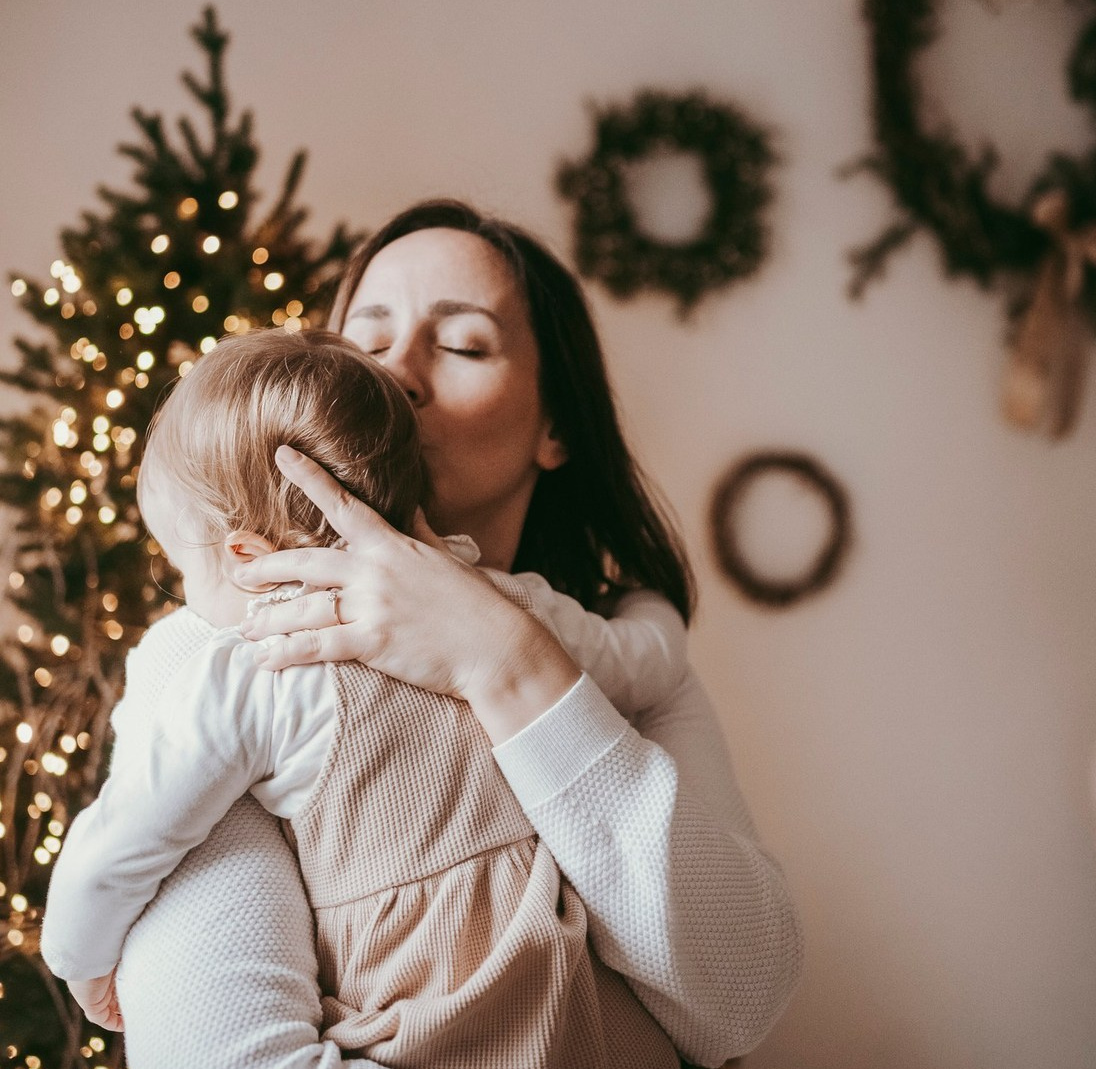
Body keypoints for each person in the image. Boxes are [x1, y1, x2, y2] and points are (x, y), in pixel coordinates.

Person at [234, 200, 804, 1066]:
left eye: (462, 345)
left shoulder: (631, 665)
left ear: (557, 429)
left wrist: (501, 656)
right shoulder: (240, 652)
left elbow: (741, 994)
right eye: (365, 339)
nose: (399, 374)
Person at [42, 328, 684, 1068]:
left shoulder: (258, 669)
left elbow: (125, 838)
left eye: (182, 567)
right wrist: (654, 604)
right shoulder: (514, 606)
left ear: (249, 559)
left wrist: (80, 959)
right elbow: (648, 663)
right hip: (587, 1006)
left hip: (428, 1016)